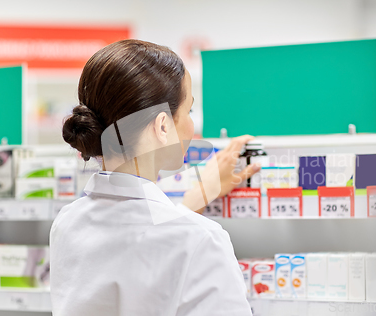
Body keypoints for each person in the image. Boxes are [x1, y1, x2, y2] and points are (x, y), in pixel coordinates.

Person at [50, 39, 261, 316]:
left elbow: (142, 242)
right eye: (189, 111)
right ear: (162, 125)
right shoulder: (201, 240)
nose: (191, 126)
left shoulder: (67, 223)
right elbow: (163, 241)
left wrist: (197, 196)